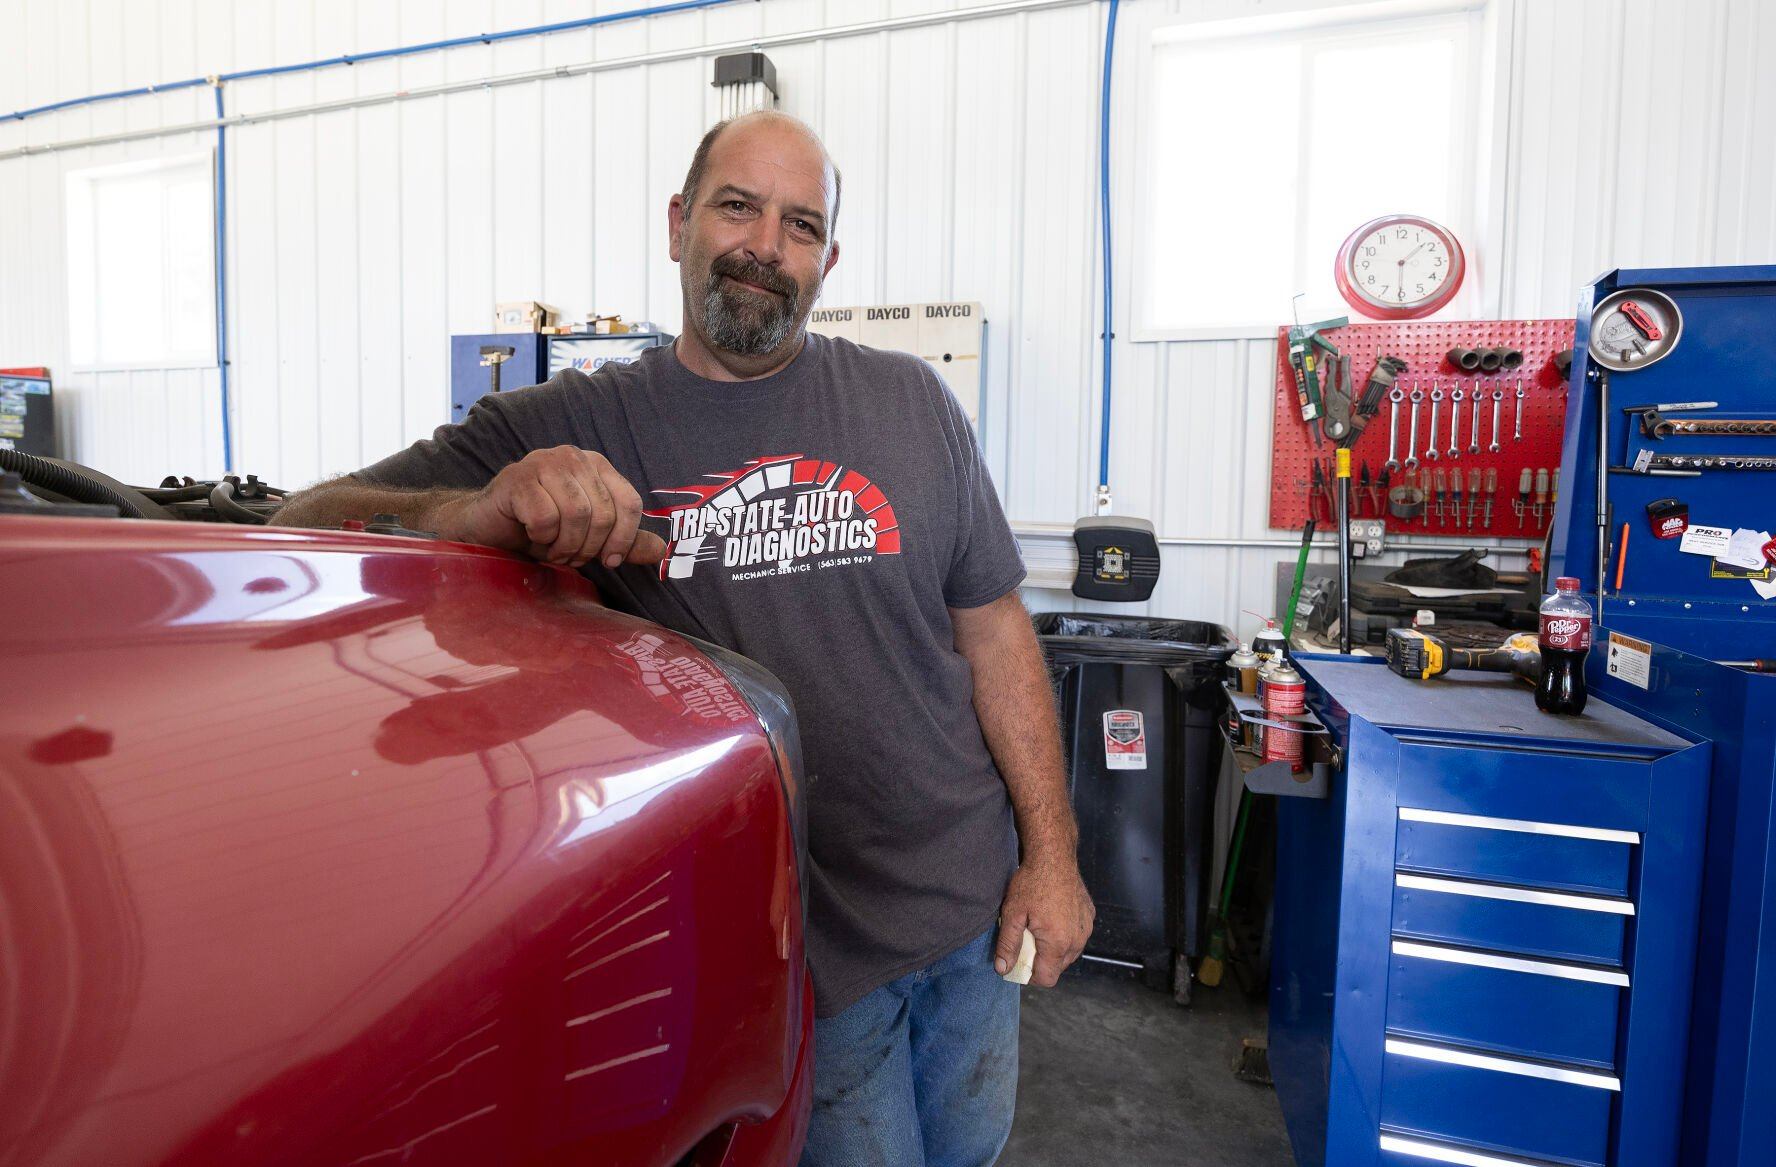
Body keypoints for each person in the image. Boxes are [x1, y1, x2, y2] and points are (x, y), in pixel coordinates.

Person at [277, 110, 1093, 1167]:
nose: (765, 245)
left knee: (974, 1153)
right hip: (810, 952)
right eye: (737, 207)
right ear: (678, 224)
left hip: (975, 913)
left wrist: (1054, 858)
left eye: (801, 225)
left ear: (829, 260)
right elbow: (306, 517)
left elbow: (993, 632)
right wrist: (475, 513)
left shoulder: (911, 401)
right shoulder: (573, 420)